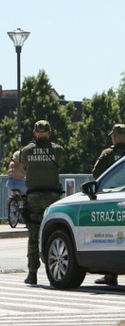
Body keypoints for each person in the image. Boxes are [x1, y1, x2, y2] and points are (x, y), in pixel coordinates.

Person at [92, 124, 125, 286]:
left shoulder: (108, 154)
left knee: (111, 236)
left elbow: (96, 173)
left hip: (112, 199)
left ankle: (111, 276)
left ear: (114, 136)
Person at [19, 120, 66, 286]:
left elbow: (24, 166)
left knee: (33, 236)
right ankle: (56, 270)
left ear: (34, 133)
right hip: (52, 197)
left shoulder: (26, 151)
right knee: (55, 233)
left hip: (33, 197)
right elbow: (60, 164)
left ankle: (32, 274)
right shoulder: (58, 150)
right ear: (49, 132)